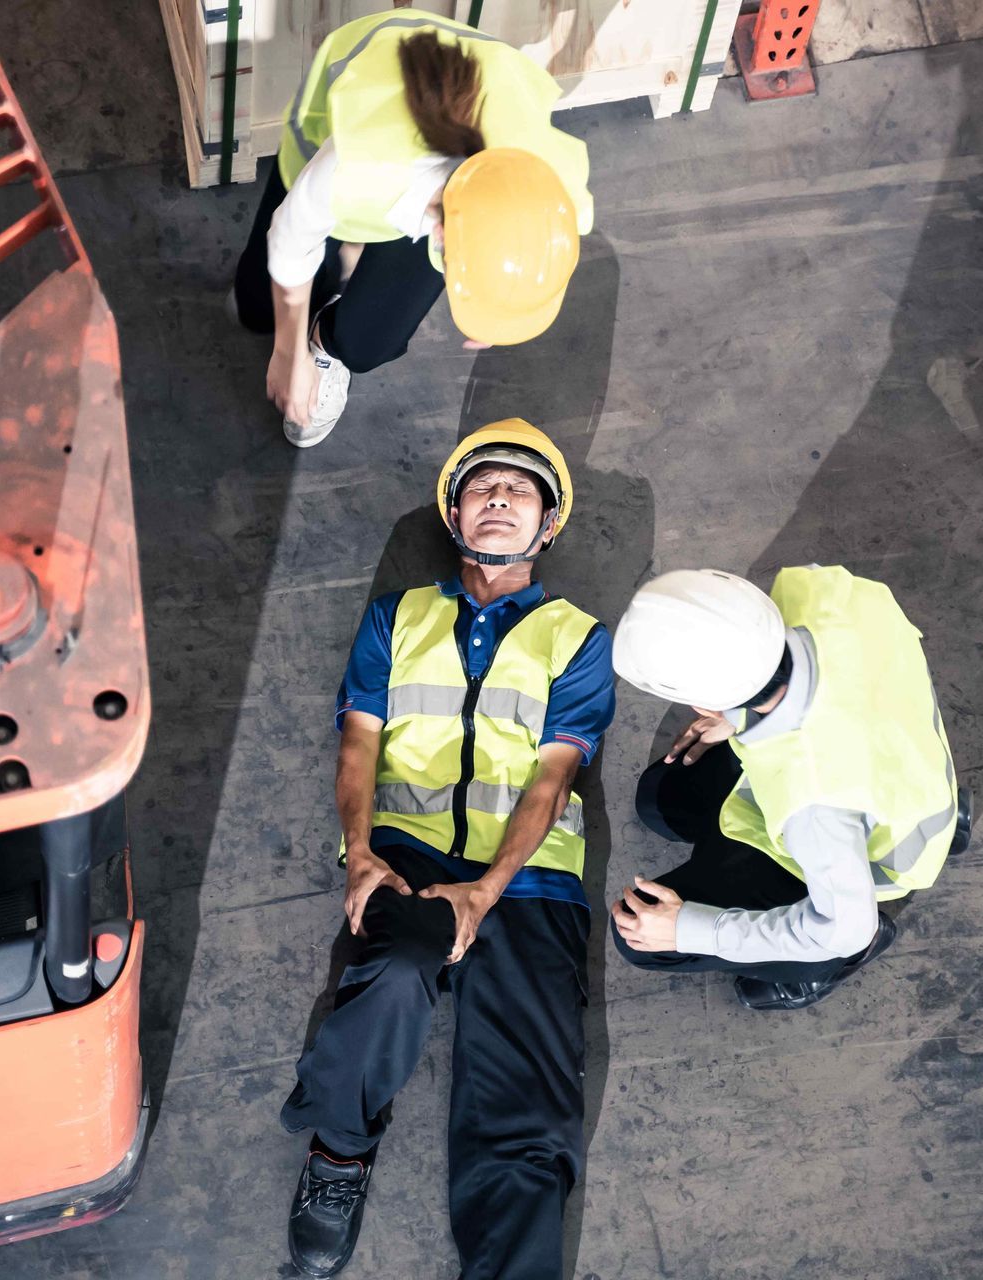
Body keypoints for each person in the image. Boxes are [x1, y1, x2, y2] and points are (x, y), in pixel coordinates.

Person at [282, 420, 613, 1279]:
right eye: (482, 487)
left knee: (527, 1103)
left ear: (547, 525)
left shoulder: (578, 637)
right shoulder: (399, 617)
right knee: (388, 978)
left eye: (519, 490)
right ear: (456, 516)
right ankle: (341, 1153)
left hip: (530, 880)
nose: (498, 497)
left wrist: (488, 888)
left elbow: (553, 778)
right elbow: (358, 743)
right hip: (405, 858)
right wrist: (358, 851)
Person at [606, 567, 971, 1011]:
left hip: (870, 839)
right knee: (662, 799)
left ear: (702, 702)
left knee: (639, 934)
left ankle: (836, 963)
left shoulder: (816, 802)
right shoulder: (816, 589)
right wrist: (736, 716)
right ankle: (948, 818)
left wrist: (690, 929)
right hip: (904, 764)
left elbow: (842, 926)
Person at [231, 12, 593, 447]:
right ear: (439, 236)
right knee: (258, 308)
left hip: (463, 154)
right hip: (353, 111)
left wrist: (501, 303)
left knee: (366, 342)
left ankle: (324, 343)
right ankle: (334, 274)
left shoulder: (551, 187)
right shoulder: (362, 167)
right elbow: (290, 239)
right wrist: (289, 355)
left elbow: (546, 246)